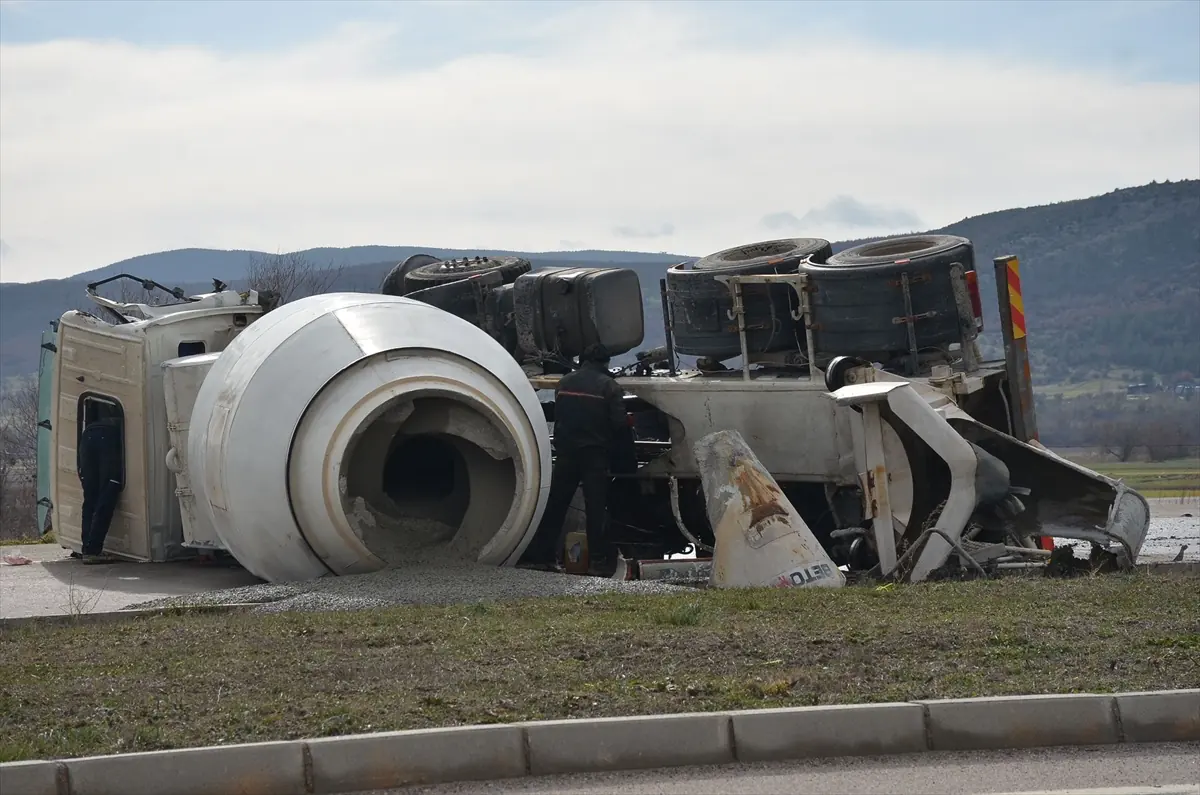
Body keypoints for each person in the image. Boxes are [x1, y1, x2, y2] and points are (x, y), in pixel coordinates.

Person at [523, 344, 627, 572]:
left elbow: (559, 412)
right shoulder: (610, 387)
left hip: (566, 453)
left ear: (583, 360)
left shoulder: (565, 382)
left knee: (556, 505)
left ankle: (543, 557)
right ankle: (597, 563)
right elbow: (620, 425)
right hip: (595, 456)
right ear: (605, 363)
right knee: (596, 509)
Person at [77, 415, 124, 564]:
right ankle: (93, 550)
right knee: (108, 494)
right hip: (108, 437)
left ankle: (87, 548)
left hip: (87, 436)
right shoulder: (116, 426)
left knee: (90, 498)